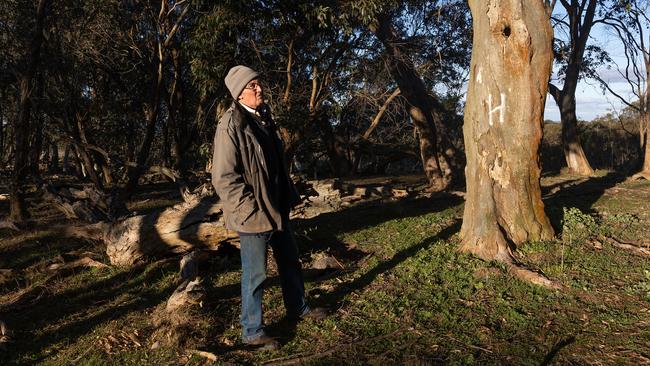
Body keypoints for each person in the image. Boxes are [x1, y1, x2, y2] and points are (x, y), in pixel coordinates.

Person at [211, 65, 326, 351]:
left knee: (290, 260)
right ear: (239, 94)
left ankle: (297, 308)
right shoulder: (230, 125)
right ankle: (252, 331)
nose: (259, 89)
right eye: (252, 86)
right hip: (253, 214)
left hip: (277, 207)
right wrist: (249, 209)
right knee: (255, 273)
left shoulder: (263, 118)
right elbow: (223, 177)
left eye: (258, 83)